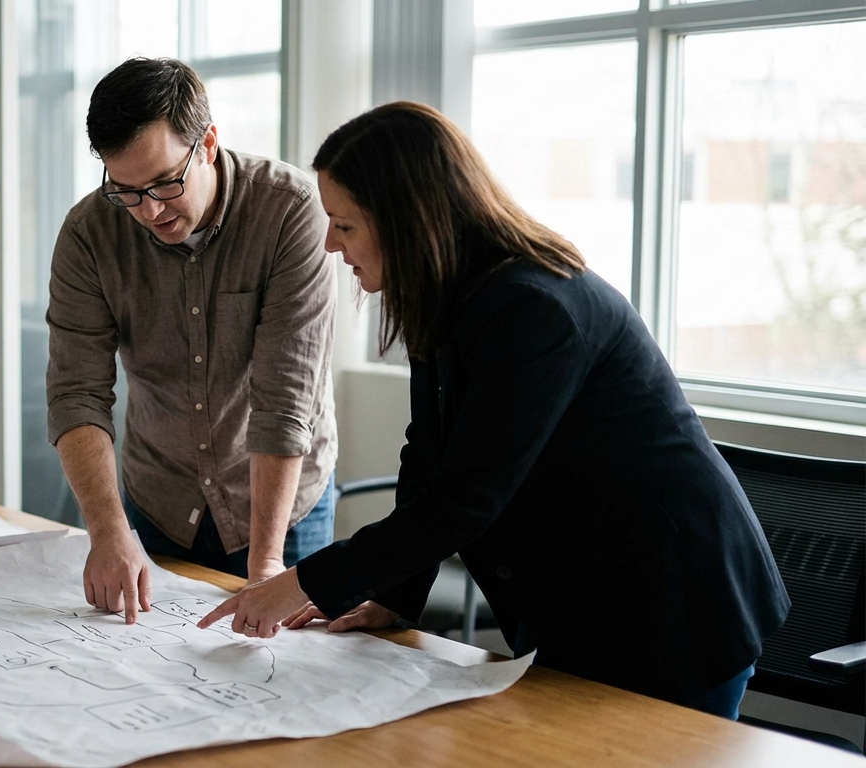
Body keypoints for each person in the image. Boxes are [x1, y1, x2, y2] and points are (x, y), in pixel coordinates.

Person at [199, 101, 789, 719]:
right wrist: (398, 599)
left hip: (671, 605)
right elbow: (426, 460)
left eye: (344, 225)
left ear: (404, 220)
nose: (328, 243)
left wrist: (298, 582)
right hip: (579, 598)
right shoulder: (450, 298)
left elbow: (466, 497)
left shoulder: (532, 308)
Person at [47, 58, 338, 624]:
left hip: (283, 512)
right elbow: (77, 393)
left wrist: (267, 564)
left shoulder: (289, 211)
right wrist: (109, 532)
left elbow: (284, 401)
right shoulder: (89, 234)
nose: (149, 211)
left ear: (207, 143)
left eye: (163, 183)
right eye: (126, 191)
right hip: (157, 502)